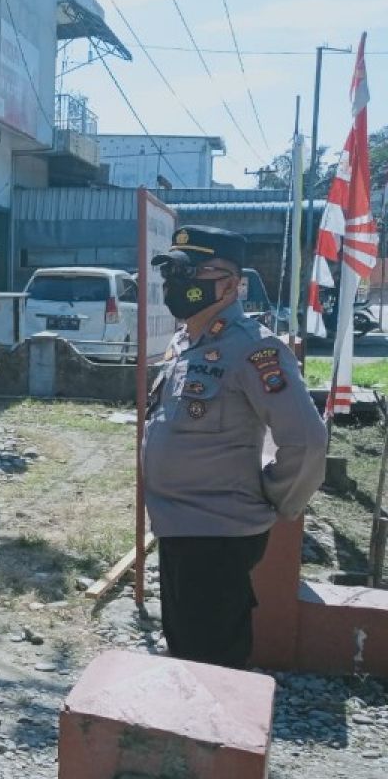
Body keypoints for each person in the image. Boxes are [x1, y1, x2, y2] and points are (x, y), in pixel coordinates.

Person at [144, 225, 327, 669]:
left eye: (188, 273)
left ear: (227, 284)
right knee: (186, 648)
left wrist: (278, 500)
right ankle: (188, 735)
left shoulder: (253, 349)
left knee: (212, 662)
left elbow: (306, 441)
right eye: (171, 272)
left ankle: (211, 738)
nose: (175, 284)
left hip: (216, 535)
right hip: (179, 528)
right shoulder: (185, 341)